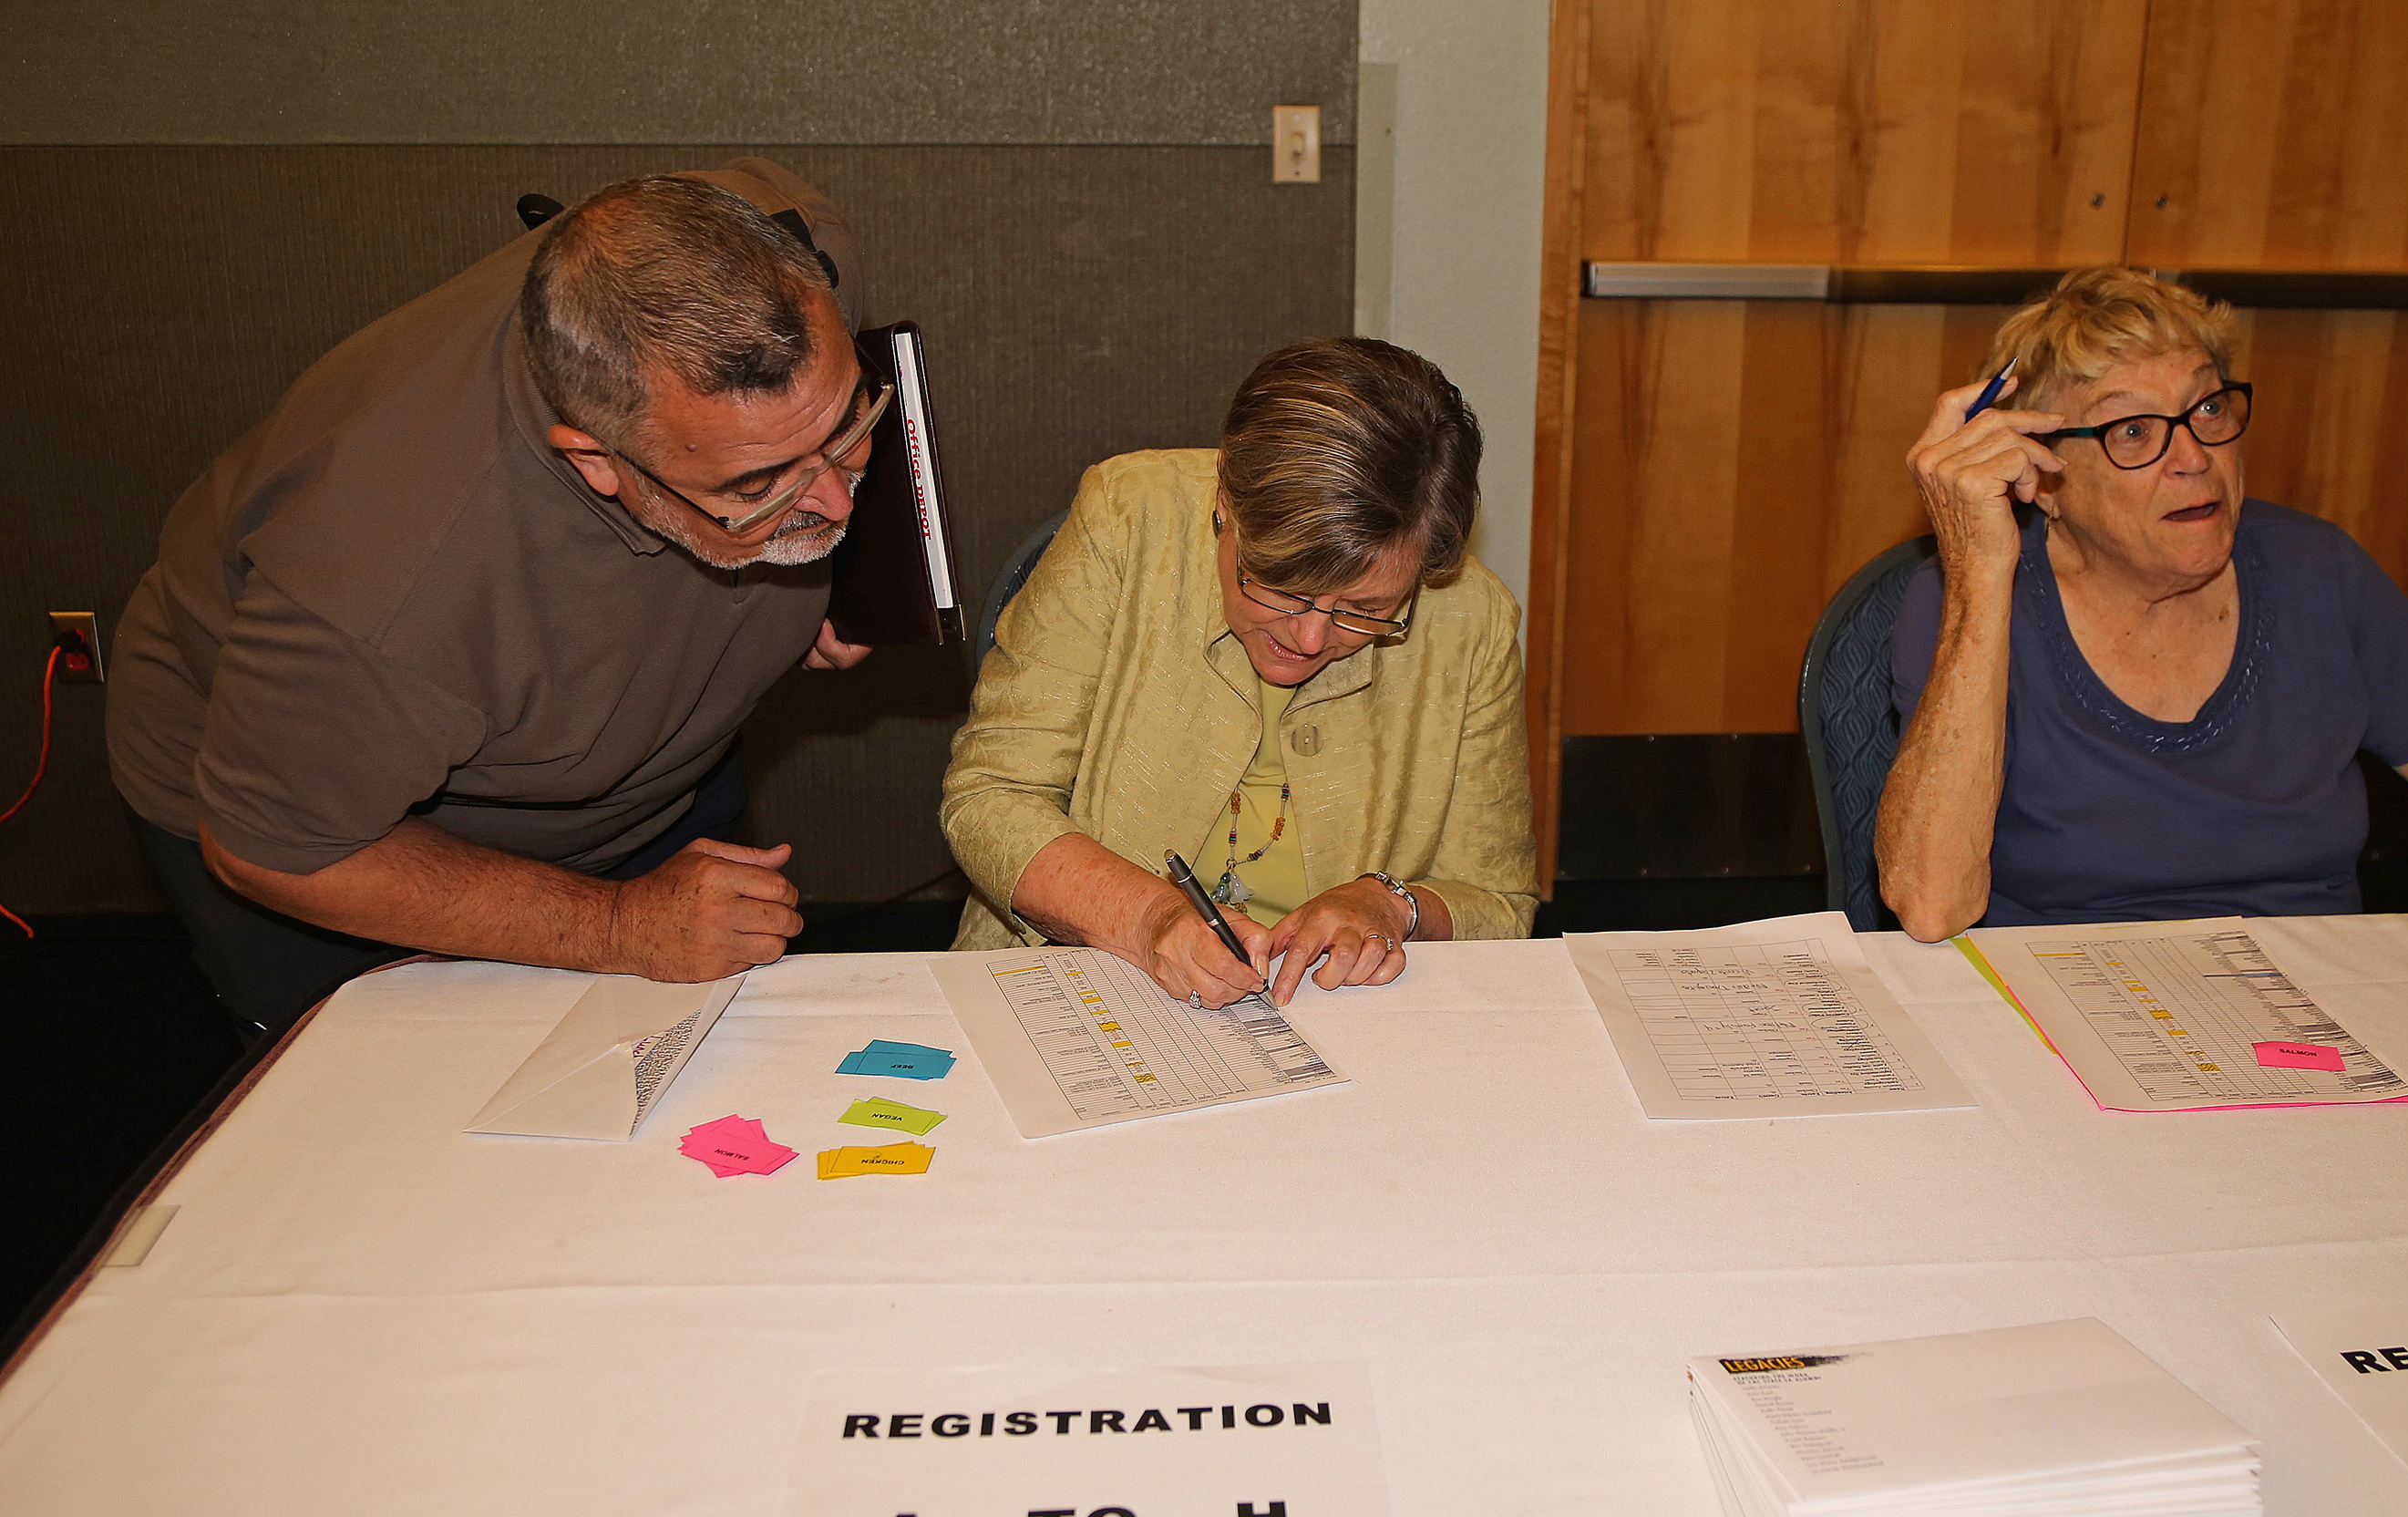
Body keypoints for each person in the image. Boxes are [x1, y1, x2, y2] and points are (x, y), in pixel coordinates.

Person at [108, 160, 879, 1030]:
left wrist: (848, 568)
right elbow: (273, 850)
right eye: (758, 487)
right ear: (594, 461)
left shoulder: (793, 246)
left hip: (641, 767)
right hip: (352, 841)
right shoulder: (387, 588)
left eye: (848, 424)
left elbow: (814, 430)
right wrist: (620, 924)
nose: (838, 499)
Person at [1878, 265, 2408, 1058]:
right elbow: (1931, 906)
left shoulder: (2318, 575)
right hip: (2063, 1024)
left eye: (2206, 408)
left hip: (2315, 1020)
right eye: (2132, 431)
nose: (2194, 457)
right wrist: (1980, 577)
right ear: (2044, 478)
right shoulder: (1965, 599)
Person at [941, 336, 1535, 1005]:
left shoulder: (1473, 617)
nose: (1310, 638)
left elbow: (1499, 900)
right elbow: (990, 796)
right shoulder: (1127, 519)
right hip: (1079, 984)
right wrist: (1150, 920)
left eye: (1366, 610)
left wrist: (1393, 905)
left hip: (1333, 1014)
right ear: (1225, 498)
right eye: (1280, 587)